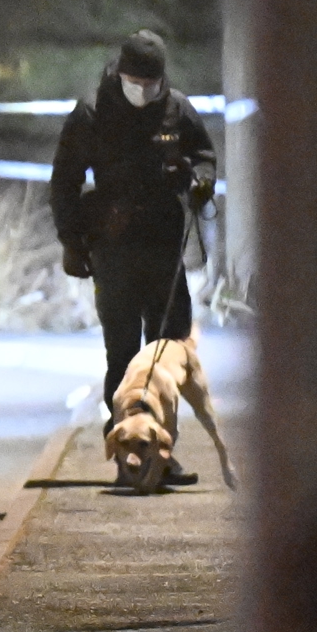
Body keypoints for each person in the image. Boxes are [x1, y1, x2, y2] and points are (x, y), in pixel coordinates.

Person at [49, 30, 216, 485]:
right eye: (135, 80)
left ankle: (162, 449)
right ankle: (127, 445)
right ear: (120, 74)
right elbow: (64, 180)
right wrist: (72, 241)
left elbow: (204, 156)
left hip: (164, 246)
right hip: (114, 248)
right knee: (122, 352)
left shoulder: (177, 109)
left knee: (168, 349)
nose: (143, 90)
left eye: (151, 82)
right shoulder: (92, 113)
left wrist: (199, 181)